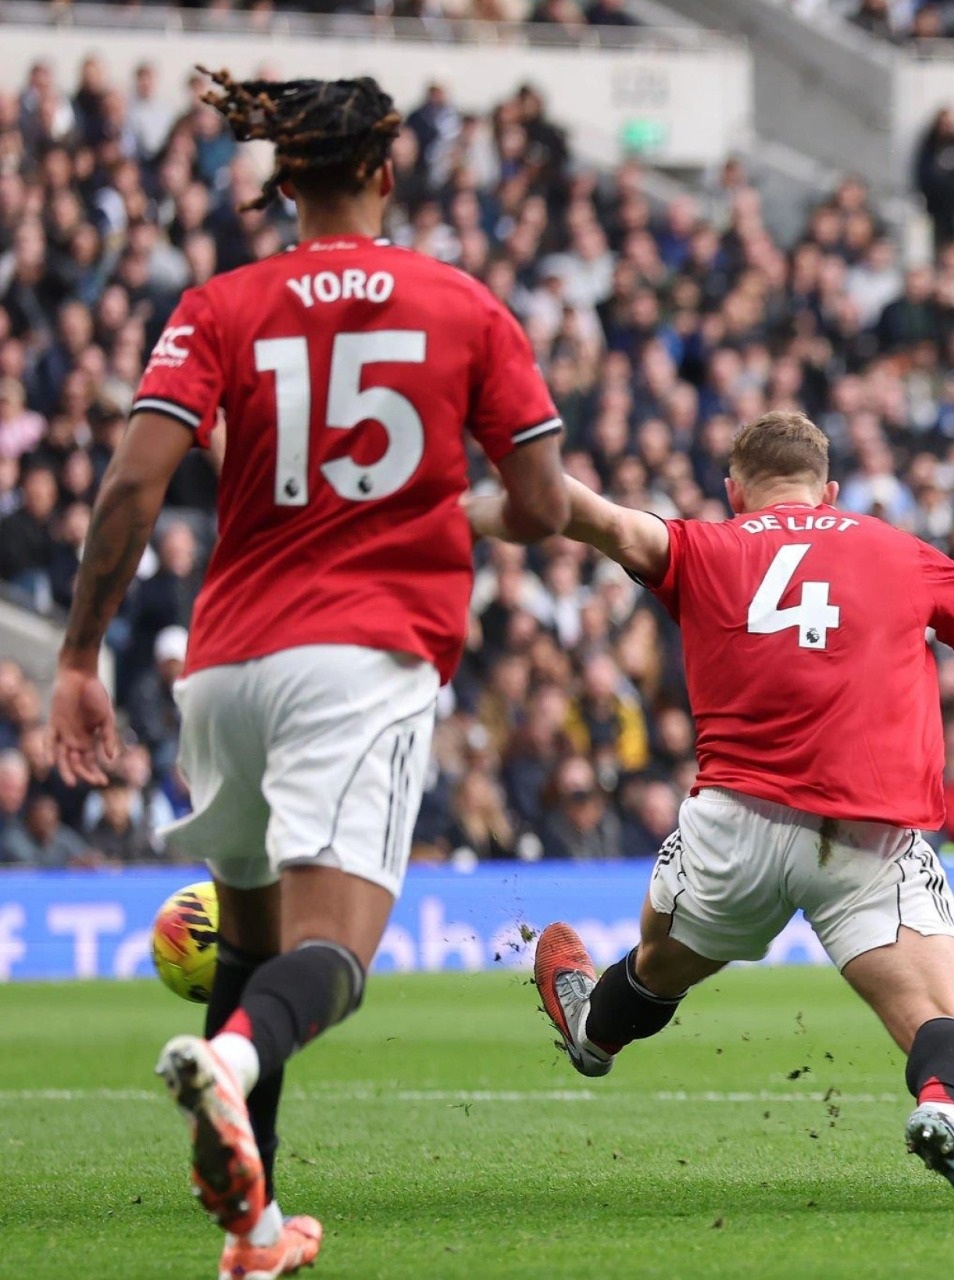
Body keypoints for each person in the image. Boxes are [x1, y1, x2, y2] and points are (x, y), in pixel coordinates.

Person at [49, 70, 567, 1279]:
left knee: (249, 941)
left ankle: (256, 1229)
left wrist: (79, 653)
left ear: (284, 183)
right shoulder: (464, 305)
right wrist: (441, 504)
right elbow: (541, 506)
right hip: (364, 655)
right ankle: (224, 1069)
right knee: (335, 957)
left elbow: (132, 486)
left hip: (223, 663)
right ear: (387, 171)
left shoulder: (219, 303)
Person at [467, 411, 954, 1209]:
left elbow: (592, 515)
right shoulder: (906, 554)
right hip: (869, 835)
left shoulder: (703, 543)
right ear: (834, 490)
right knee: (937, 1013)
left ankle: (593, 1033)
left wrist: (493, 468)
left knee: (657, 967)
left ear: (734, 489)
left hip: (734, 826)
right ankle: (941, 1109)